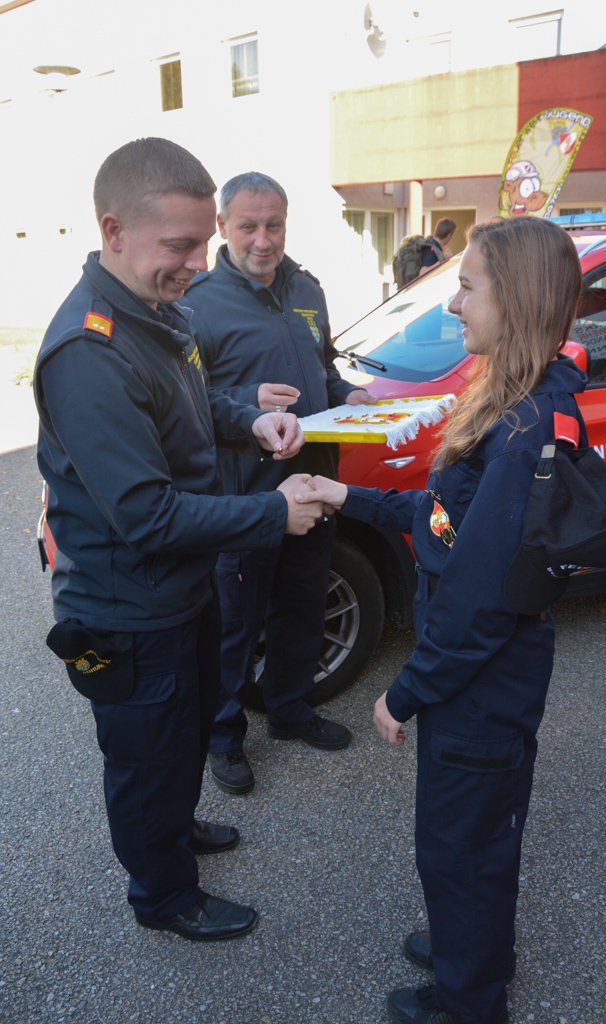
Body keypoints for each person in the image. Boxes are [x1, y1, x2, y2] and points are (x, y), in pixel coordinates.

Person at [33, 138, 325, 942]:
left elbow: (193, 406)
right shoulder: (89, 352)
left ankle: (173, 829)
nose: (198, 263)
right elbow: (147, 516)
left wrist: (249, 420)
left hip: (180, 585)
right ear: (114, 230)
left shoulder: (157, 311)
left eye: (201, 243)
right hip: (131, 605)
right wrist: (272, 513)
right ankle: (163, 896)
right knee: (147, 758)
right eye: (181, 245)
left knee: (184, 735)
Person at [299, 216, 586, 1024]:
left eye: (467, 286)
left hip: (479, 683)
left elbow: (477, 603)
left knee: (460, 847)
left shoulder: (522, 428)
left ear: (514, 299)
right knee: (477, 836)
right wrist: (344, 495)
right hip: (487, 677)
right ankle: (476, 948)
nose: (454, 304)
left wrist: (405, 692)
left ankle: (468, 1000)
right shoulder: (517, 401)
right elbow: (441, 517)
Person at [183, 171, 374, 796]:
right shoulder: (197, 302)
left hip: (314, 486)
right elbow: (187, 403)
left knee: (302, 605)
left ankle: (290, 709)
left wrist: (351, 394)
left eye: (274, 225)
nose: (263, 240)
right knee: (235, 626)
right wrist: (248, 402)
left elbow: (323, 370)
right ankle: (223, 737)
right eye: (248, 227)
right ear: (222, 226)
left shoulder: (307, 288)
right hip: (248, 497)